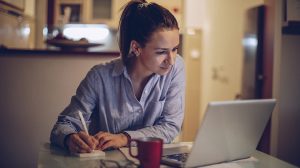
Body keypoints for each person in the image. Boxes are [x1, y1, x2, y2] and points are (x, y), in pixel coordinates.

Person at [50, 0, 185, 154]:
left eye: (175, 49)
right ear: (136, 48)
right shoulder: (99, 77)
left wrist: (125, 138)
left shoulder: (176, 68)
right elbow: (64, 124)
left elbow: (171, 126)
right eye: (161, 52)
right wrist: (70, 138)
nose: (171, 60)